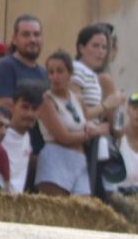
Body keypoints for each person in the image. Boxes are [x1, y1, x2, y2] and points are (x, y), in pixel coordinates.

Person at [35, 51, 108, 197]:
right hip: (56, 157)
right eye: (51, 72)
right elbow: (64, 137)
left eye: (60, 71)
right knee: (58, 207)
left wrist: (91, 127)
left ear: (70, 73)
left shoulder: (78, 99)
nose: (55, 77)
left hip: (79, 160)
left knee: (82, 207)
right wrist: (93, 132)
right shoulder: (46, 101)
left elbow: (84, 123)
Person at [70, 23, 125, 197]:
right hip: (83, 144)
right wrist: (108, 105)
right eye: (95, 46)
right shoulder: (78, 70)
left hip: (92, 144)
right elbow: (76, 114)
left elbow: (118, 127)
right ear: (81, 48)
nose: (101, 52)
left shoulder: (91, 75)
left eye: (104, 47)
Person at [0, 16, 48, 113]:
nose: (32, 40)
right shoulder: (4, 68)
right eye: (26, 35)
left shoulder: (45, 72)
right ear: (15, 39)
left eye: (37, 34)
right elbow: (3, 104)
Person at [105, 90, 138, 190]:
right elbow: (111, 115)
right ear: (128, 110)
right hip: (115, 194)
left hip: (135, 196)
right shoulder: (119, 135)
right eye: (135, 108)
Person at [2, 86, 42, 194]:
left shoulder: (27, 137)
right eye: (25, 107)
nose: (29, 114)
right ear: (12, 108)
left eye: (34, 109)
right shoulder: (0, 136)